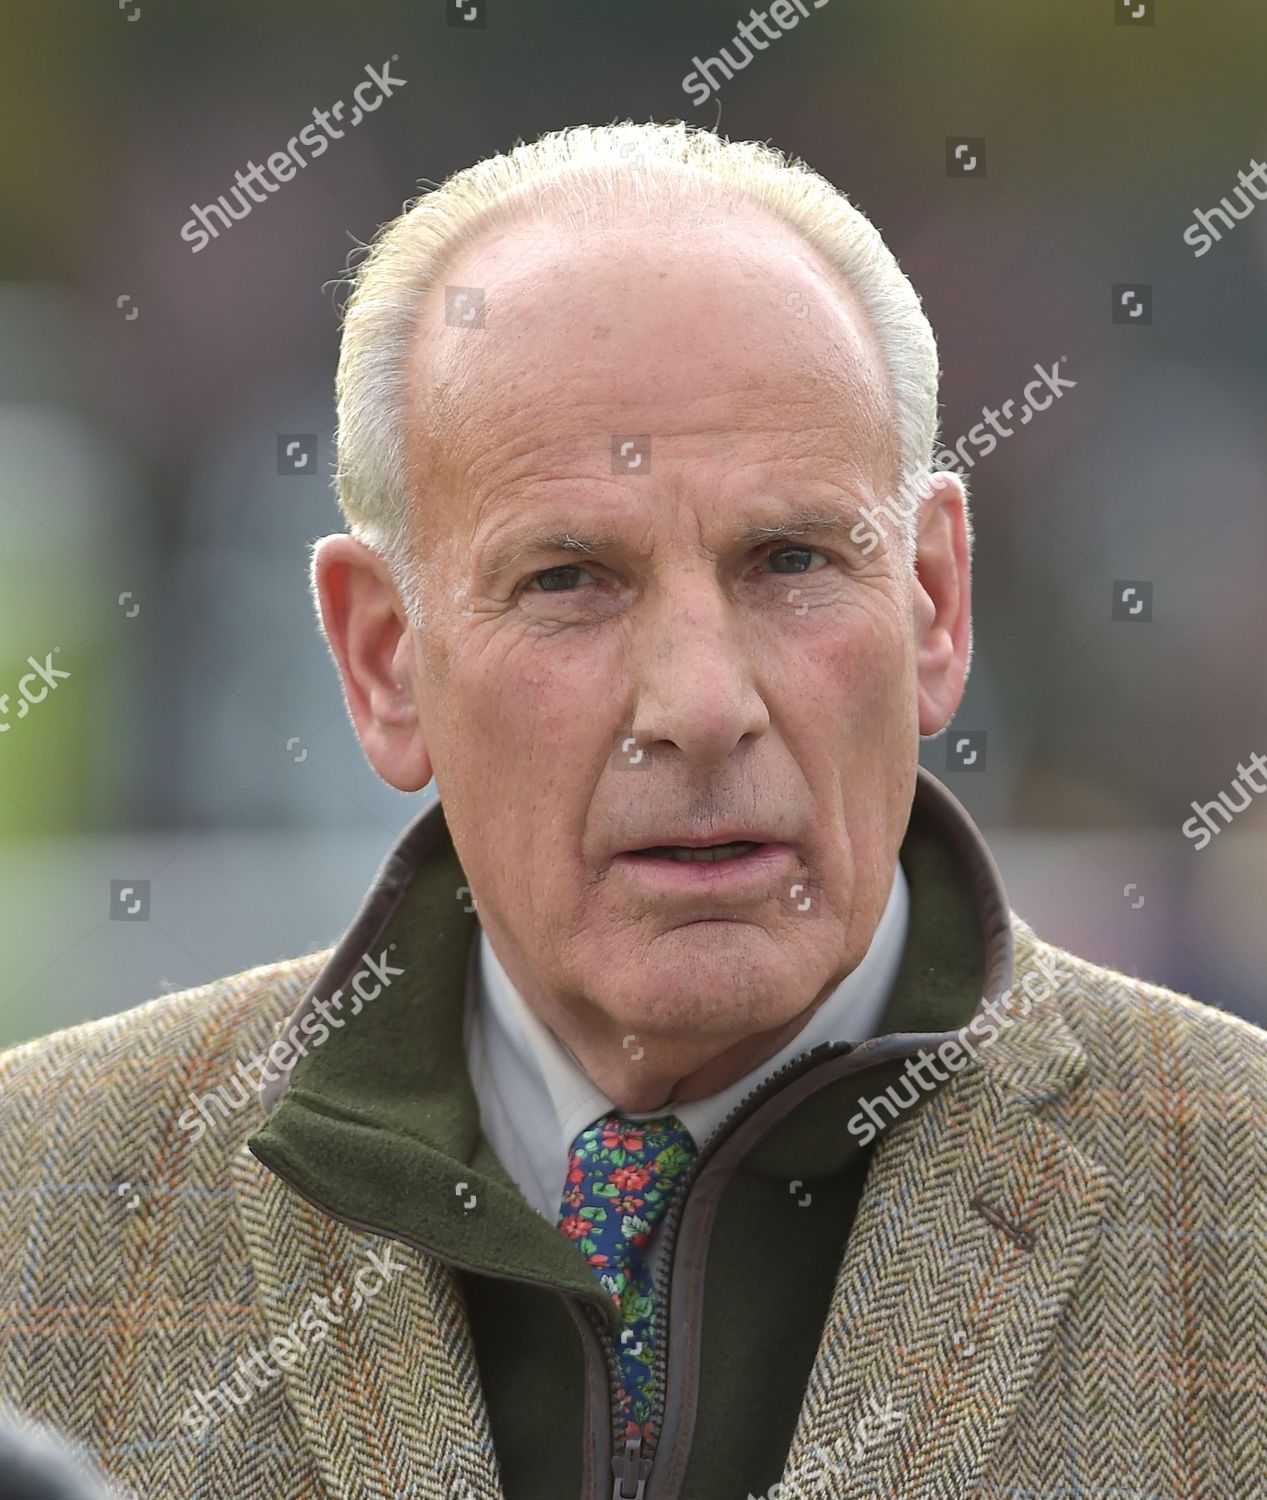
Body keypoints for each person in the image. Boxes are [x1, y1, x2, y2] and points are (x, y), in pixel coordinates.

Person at [1, 121, 1263, 1500]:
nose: (701, 701)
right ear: (384, 660)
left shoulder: (1235, 1205)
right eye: (570, 580)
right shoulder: (33, 1214)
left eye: (789, 559)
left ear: (935, 606)